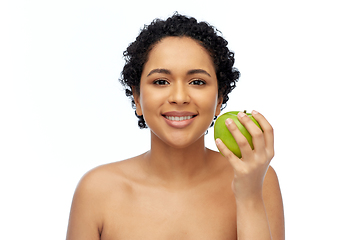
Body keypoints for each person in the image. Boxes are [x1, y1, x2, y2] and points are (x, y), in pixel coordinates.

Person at [66, 13, 285, 240]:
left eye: (197, 82)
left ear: (219, 99)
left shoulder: (259, 180)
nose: (179, 97)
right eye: (161, 81)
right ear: (137, 97)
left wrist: (249, 195)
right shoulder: (97, 191)